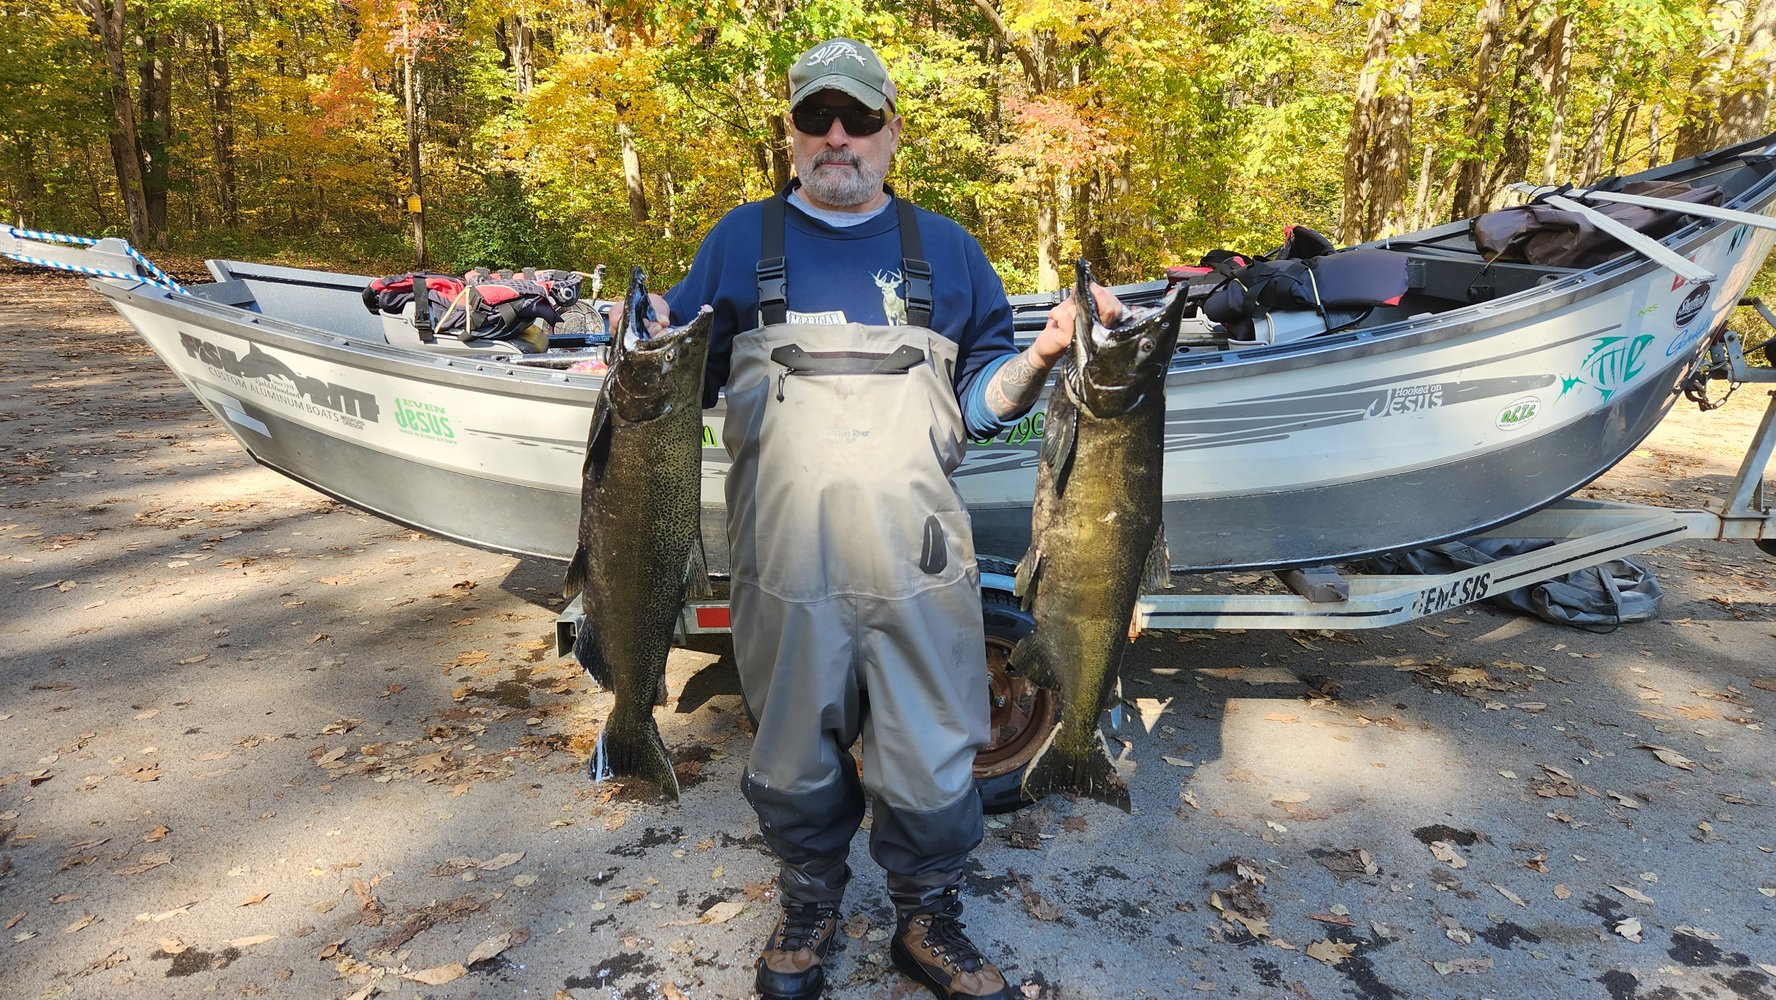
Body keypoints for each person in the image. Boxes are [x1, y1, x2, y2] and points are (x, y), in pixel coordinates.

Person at [616, 37, 1124, 1000]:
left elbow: (981, 400)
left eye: (857, 119)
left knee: (933, 759)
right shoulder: (737, 242)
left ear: (894, 131)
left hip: (922, 565)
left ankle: (927, 920)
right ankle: (809, 904)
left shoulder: (948, 249)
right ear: (792, 134)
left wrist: (1047, 355)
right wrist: (635, 341)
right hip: (784, 566)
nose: (836, 138)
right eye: (816, 119)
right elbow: (676, 380)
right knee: (792, 755)